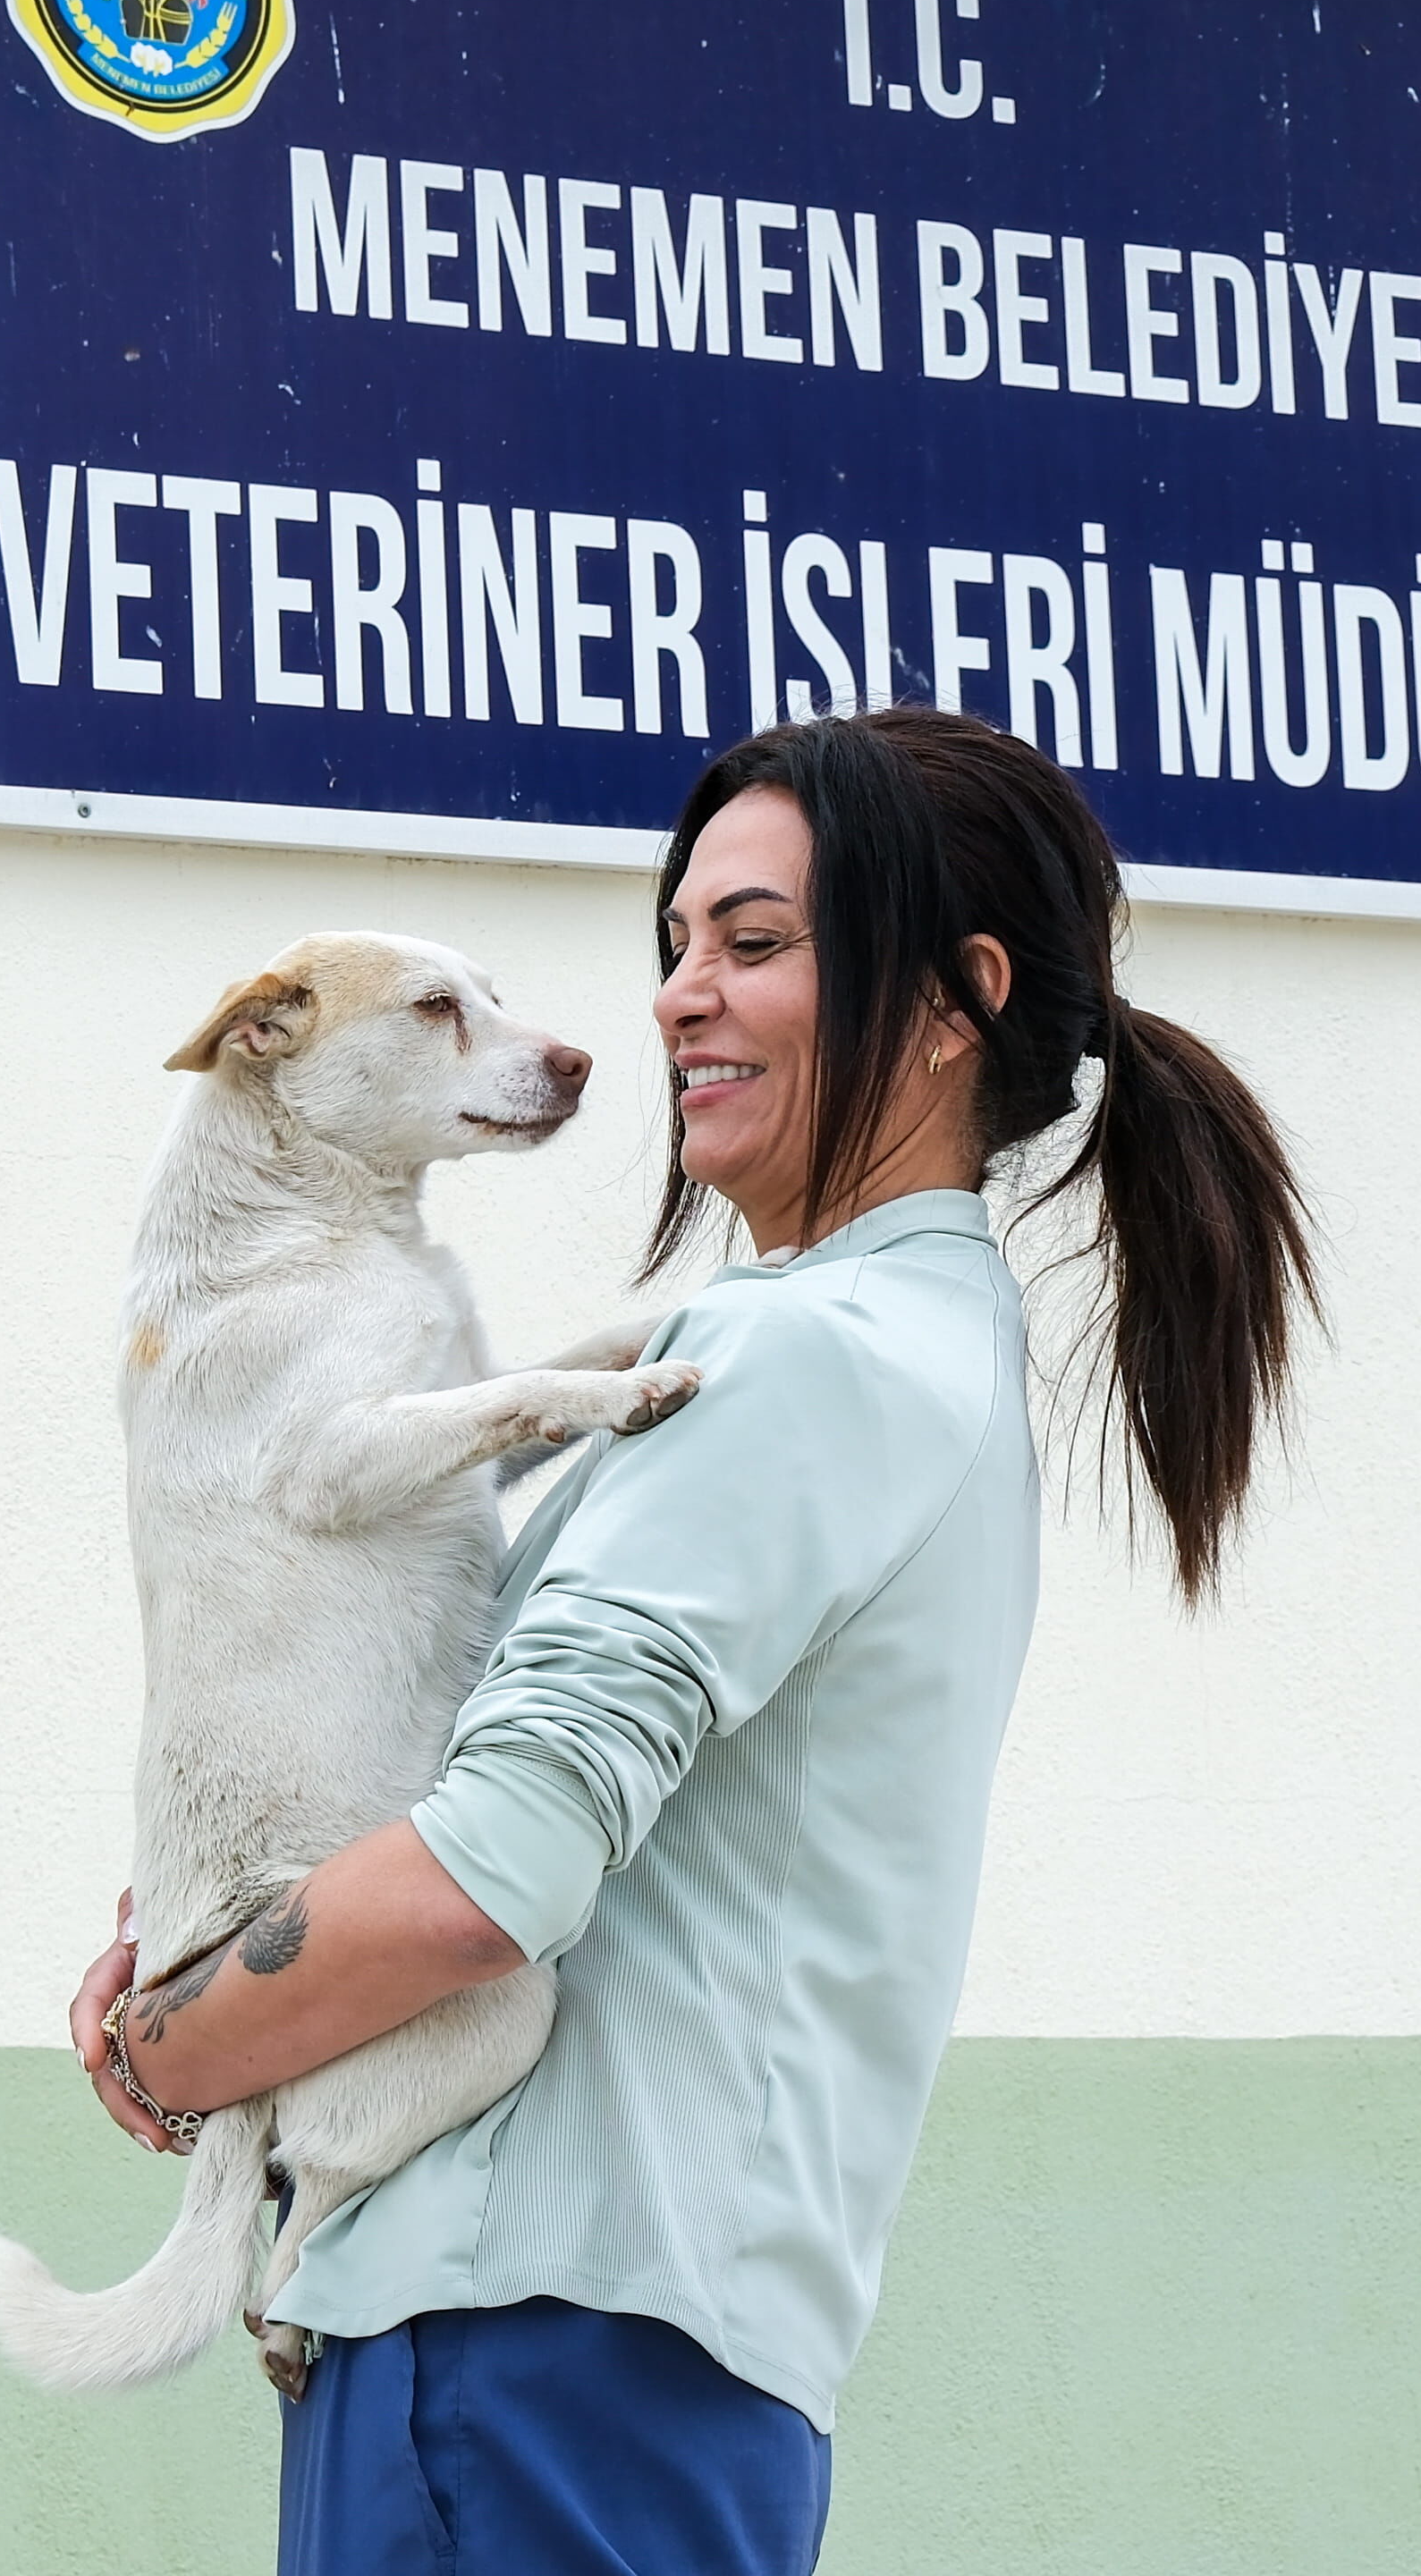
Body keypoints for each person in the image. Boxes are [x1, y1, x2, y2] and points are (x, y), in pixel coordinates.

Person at [68, 706, 1313, 2574]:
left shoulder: (793, 1355)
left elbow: (488, 1875)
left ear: (956, 998)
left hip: (520, 2359)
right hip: (636, 2367)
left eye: (751, 942)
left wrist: (180, 2039)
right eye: (676, 945)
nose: (673, 999)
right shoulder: (898, 1347)